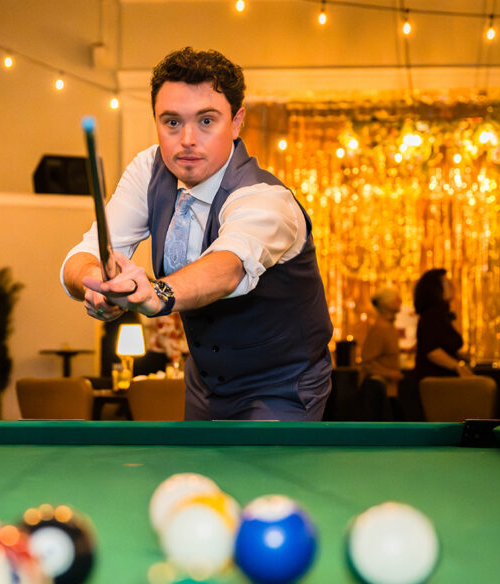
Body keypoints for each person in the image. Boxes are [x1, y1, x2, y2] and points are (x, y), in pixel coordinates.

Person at [60, 47, 333, 420]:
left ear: (236, 123)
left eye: (206, 121)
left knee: (257, 479)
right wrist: (96, 285)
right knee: (201, 479)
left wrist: (157, 294)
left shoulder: (266, 200)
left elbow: (228, 266)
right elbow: (87, 253)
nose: (187, 138)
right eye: (172, 122)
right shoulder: (148, 170)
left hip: (282, 387)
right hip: (205, 385)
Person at [411, 268, 474, 380]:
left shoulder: (442, 315)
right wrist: (457, 366)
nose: (451, 285)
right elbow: (432, 351)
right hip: (437, 382)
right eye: (445, 282)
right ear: (434, 288)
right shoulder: (432, 315)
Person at [360, 287, 404, 399]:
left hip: (391, 389)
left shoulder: (390, 327)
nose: (401, 301)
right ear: (386, 303)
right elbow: (367, 362)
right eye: (396, 299)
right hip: (381, 392)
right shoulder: (380, 328)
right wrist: (389, 374)